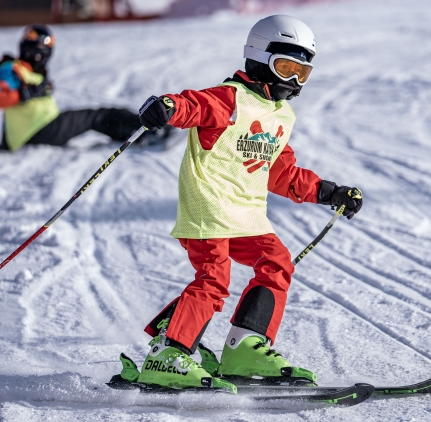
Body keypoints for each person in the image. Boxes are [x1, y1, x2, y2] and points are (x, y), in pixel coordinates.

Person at [125, 15, 364, 393]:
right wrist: (167, 106)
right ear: (258, 57)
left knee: (276, 263)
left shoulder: (281, 115)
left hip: (246, 213)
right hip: (209, 206)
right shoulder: (230, 99)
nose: (294, 80)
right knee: (214, 279)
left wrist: (329, 192)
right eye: (286, 67)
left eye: (303, 72)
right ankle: (168, 355)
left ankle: (246, 347)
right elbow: (193, 105)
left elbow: (281, 173)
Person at [0, 24, 166, 152]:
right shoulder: (11, 68)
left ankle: (141, 131)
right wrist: (27, 93)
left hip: (39, 129)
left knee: (96, 116)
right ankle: (149, 131)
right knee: (98, 116)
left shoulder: (28, 71)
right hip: (40, 130)